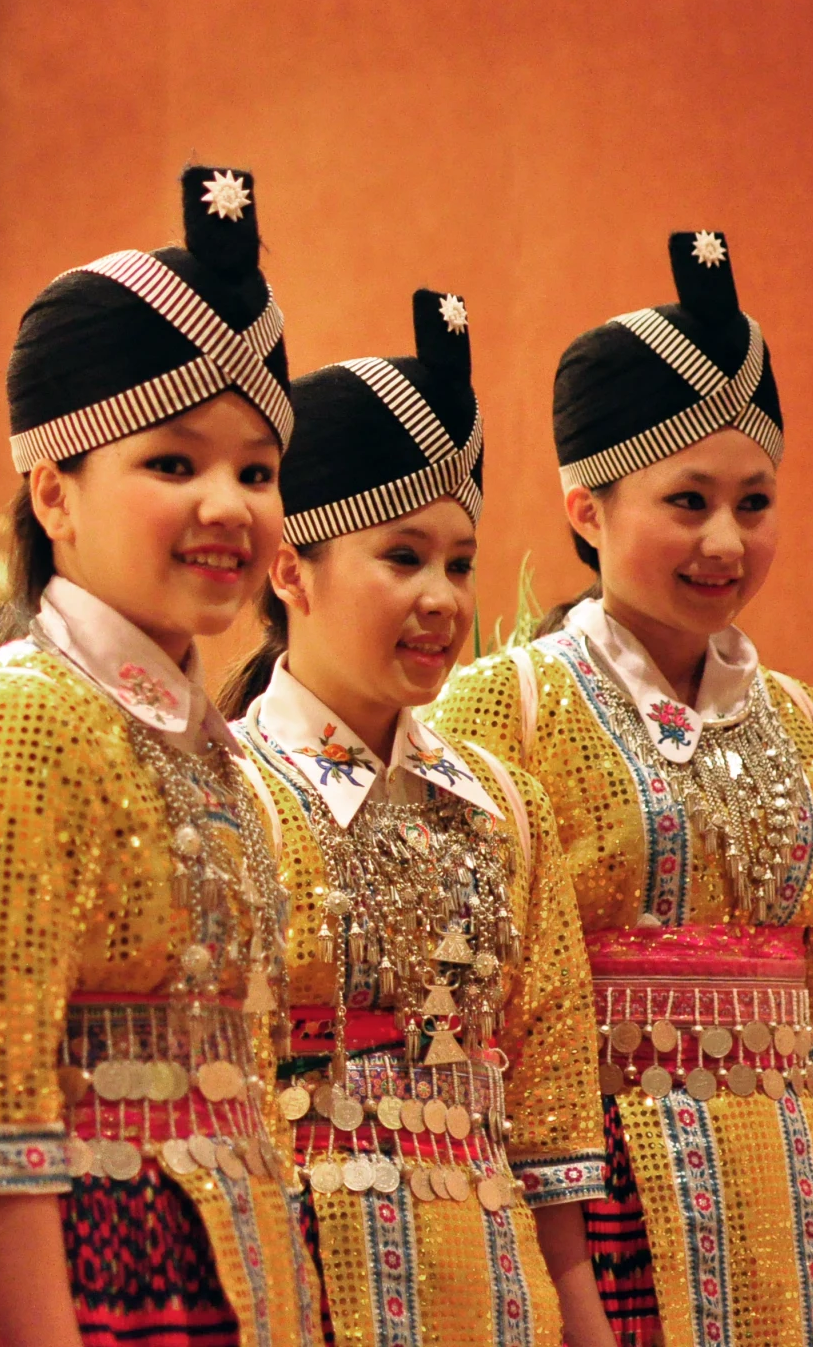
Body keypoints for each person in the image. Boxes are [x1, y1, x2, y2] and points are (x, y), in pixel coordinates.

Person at [428, 233, 813, 1347]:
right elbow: (480, 1016)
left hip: (802, 1192)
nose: (725, 540)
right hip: (600, 1198)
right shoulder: (504, 708)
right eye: (686, 499)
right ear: (585, 507)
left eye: (755, 500)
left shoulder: (805, 721)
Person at [0, 165, 323, 1347]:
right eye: (173, 464)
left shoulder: (207, 744)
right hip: (86, 1297)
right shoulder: (16, 728)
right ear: (54, 493)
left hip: (230, 1282)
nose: (229, 505)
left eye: (257, 469)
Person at [220, 289, 610, 1347]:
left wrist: (581, 1321)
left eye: (459, 561)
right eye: (403, 557)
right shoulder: (226, 793)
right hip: (299, 1290)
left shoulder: (507, 808)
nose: (443, 595)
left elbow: (554, 1106)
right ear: (289, 566)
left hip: (497, 1297)